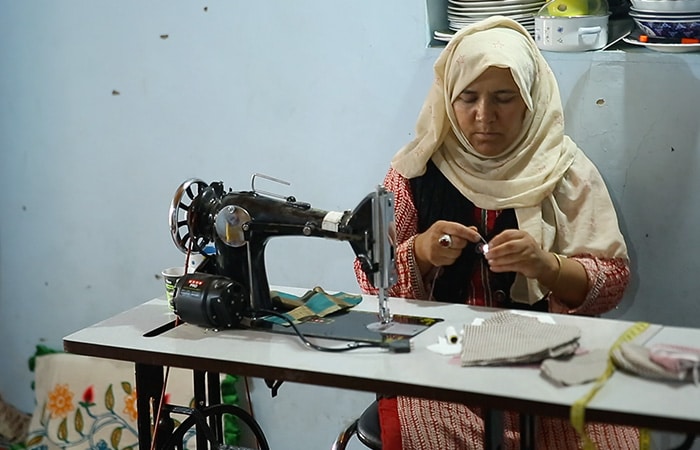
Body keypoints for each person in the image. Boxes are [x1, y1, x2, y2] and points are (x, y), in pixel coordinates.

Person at [353, 15, 638, 450]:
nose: (484, 116)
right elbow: (372, 278)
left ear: (530, 98)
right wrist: (421, 254)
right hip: (441, 361)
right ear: (447, 99)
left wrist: (548, 266)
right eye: (467, 98)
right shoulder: (413, 172)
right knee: (430, 424)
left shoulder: (566, 172)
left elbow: (612, 282)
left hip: (548, 360)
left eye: (504, 98)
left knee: (600, 433)